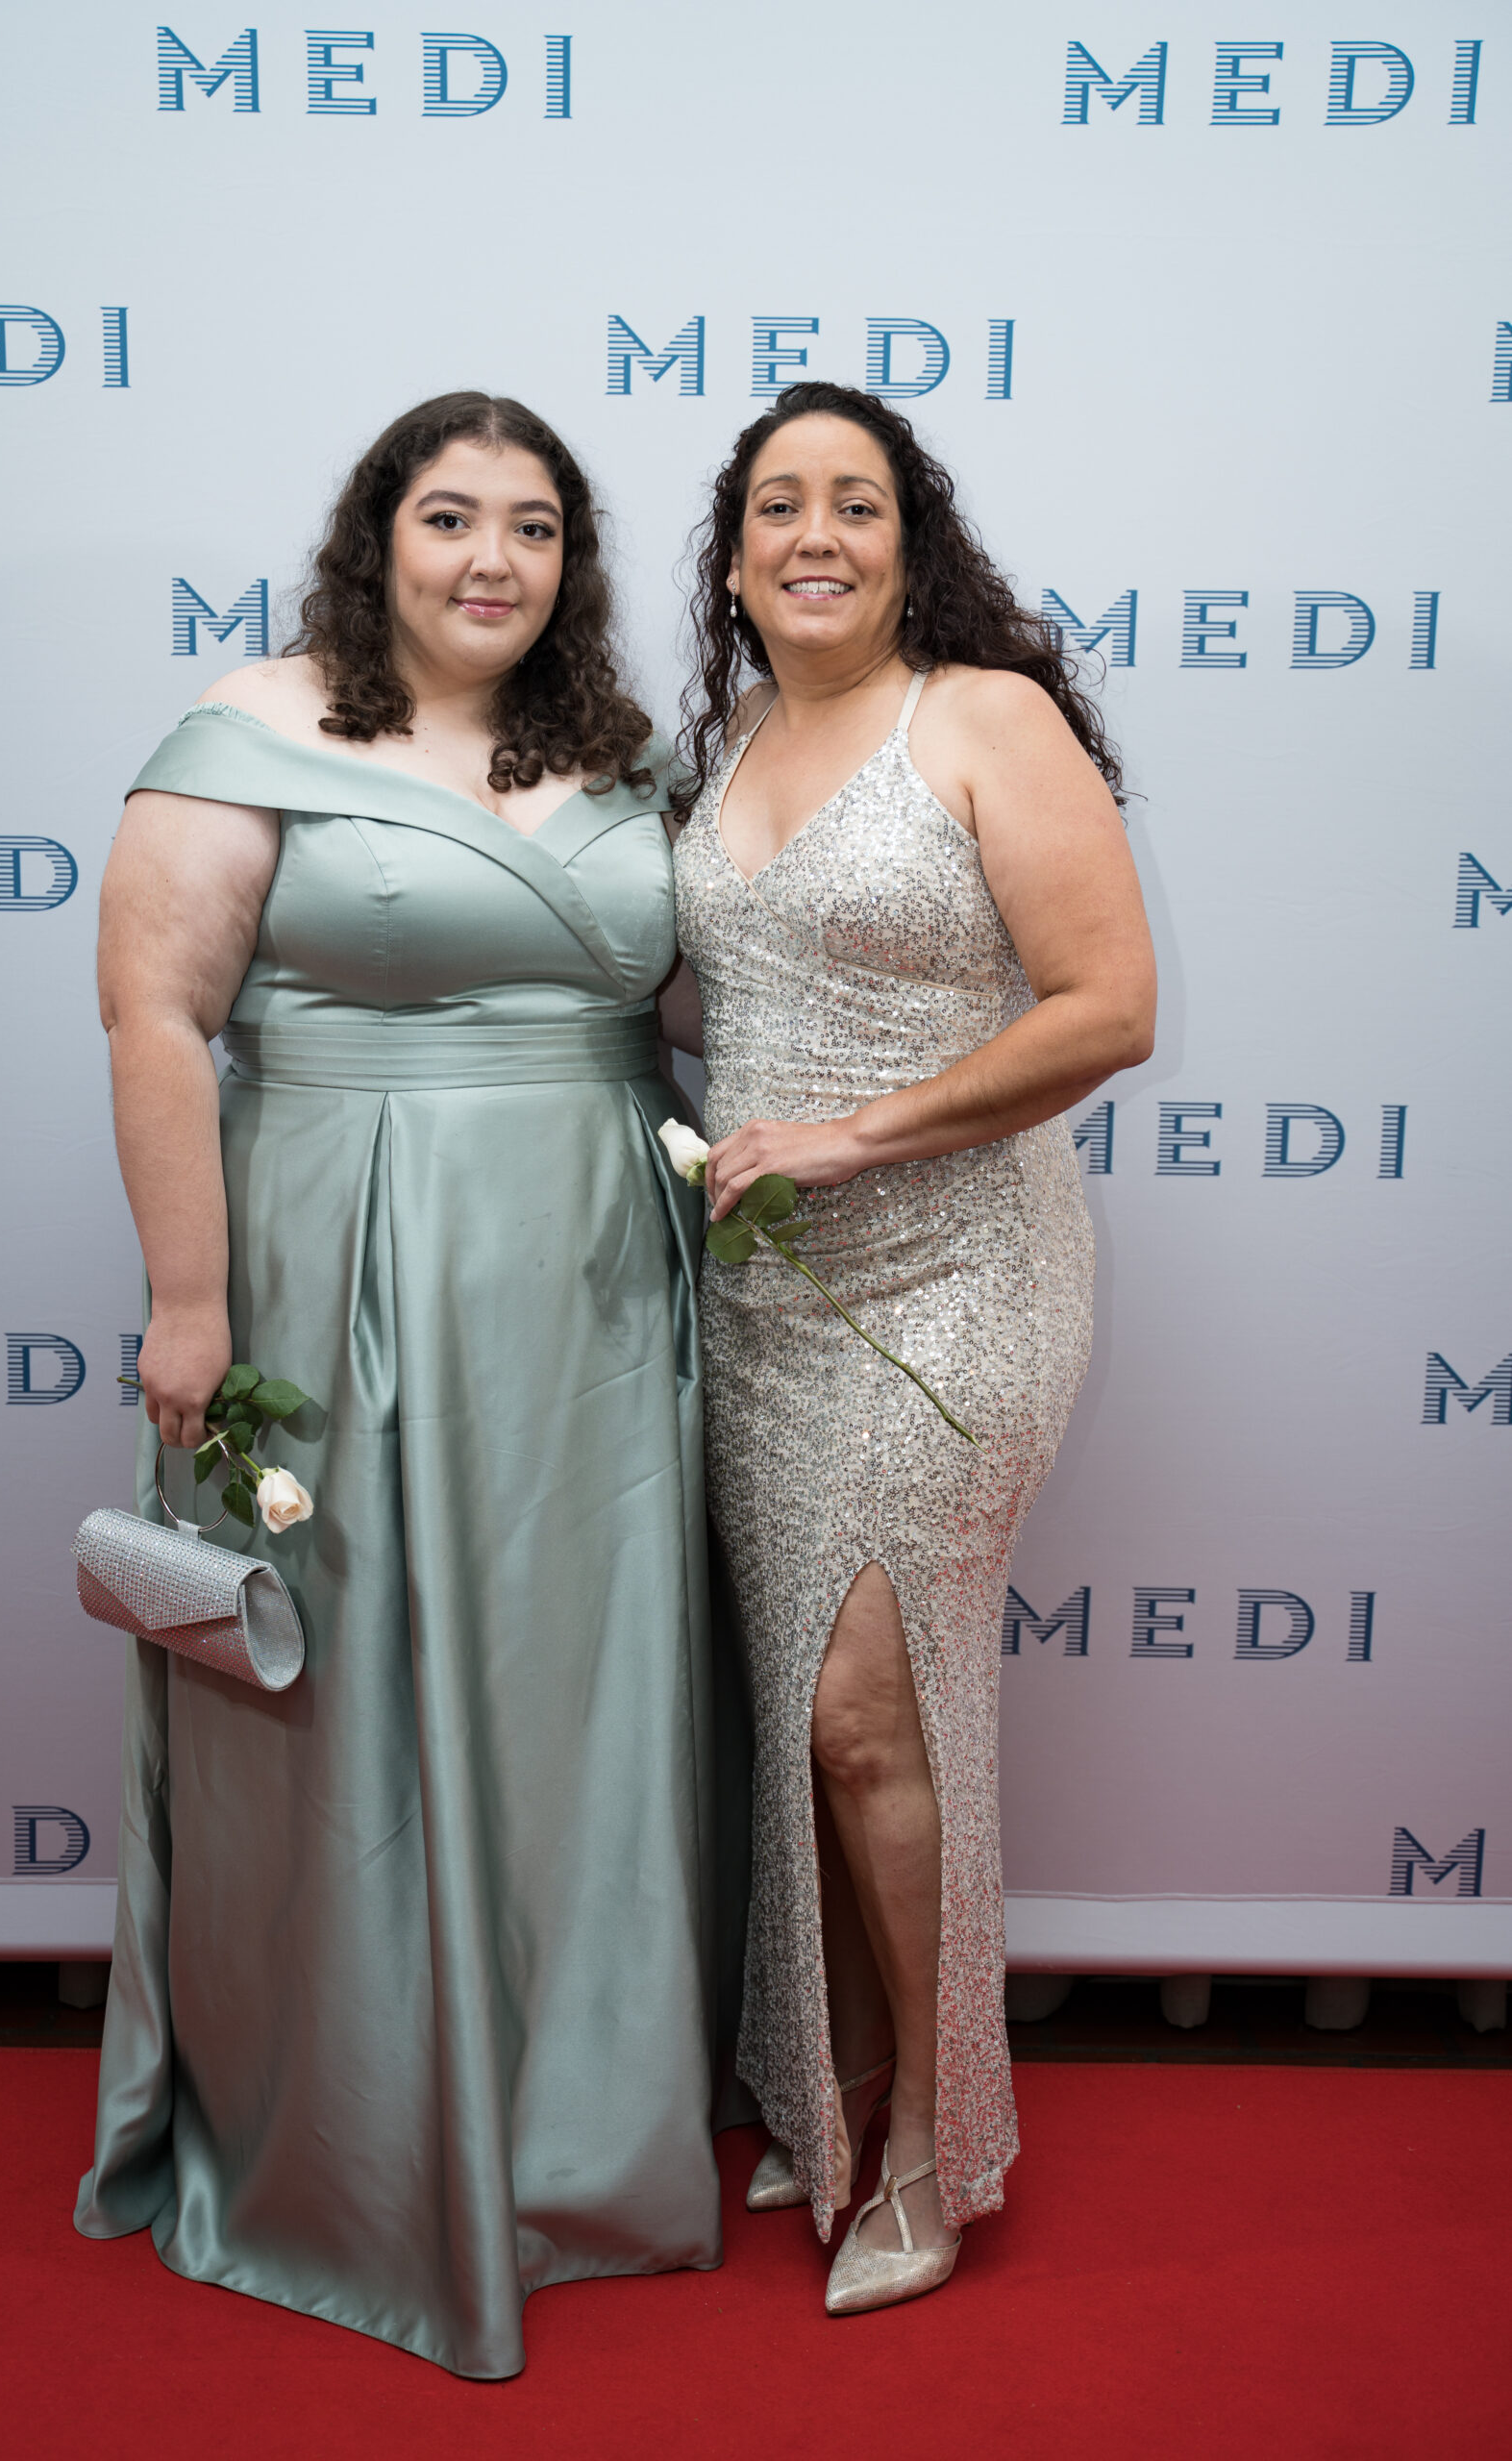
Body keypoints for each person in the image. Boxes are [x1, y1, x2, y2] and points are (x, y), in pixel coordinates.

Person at [76, 392, 723, 2378]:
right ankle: (353, 2137)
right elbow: (156, 1015)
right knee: (345, 1679)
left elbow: (699, 998)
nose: (491, 559)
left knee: (574, 1683)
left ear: (569, 563)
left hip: (597, 1285)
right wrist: (190, 1299)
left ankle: (577, 2119)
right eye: (449, 517)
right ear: (379, 537)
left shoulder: (626, 751)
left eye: (533, 525)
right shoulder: (252, 723)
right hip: (338, 1266)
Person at [667, 381, 1155, 2315]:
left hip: (958, 1274)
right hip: (766, 1295)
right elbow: (710, 1000)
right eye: (777, 505)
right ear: (730, 561)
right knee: (808, 1714)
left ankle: (938, 2158)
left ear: (907, 542)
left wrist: (858, 1135)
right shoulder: (726, 746)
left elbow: (1108, 1006)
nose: (815, 534)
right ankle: (833, 2086)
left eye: (854, 503)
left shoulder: (981, 716)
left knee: (879, 1715)